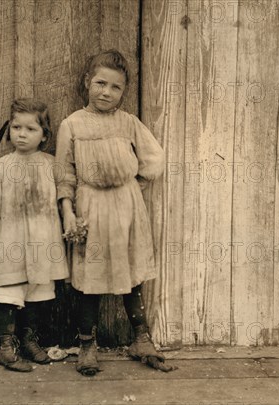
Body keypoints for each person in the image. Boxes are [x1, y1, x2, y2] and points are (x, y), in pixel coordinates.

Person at [55, 49, 176, 376]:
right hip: (90, 207)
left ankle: (141, 339)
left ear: (124, 92)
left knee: (130, 272)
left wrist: (135, 186)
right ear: (86, 83)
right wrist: (68, 212)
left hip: (126, 205)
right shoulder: (72, 125)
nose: (106, 92)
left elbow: (154, 159)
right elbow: (64, 174)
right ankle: (87, 345)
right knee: (87, 278)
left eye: (115, 87)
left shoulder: (128, 123)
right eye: (100, 83)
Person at [0, 98, 69, 372]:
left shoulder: (52, 165)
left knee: (38, 292)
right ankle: (6, 346)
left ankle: (28, 341)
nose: (22, 134)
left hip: (42, 241)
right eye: (16, 127)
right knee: (8, 291)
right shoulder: (1, 167)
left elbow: (66, 196)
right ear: (9, 129)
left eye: (30, 129)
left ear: (45, 136)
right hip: (9, 241)